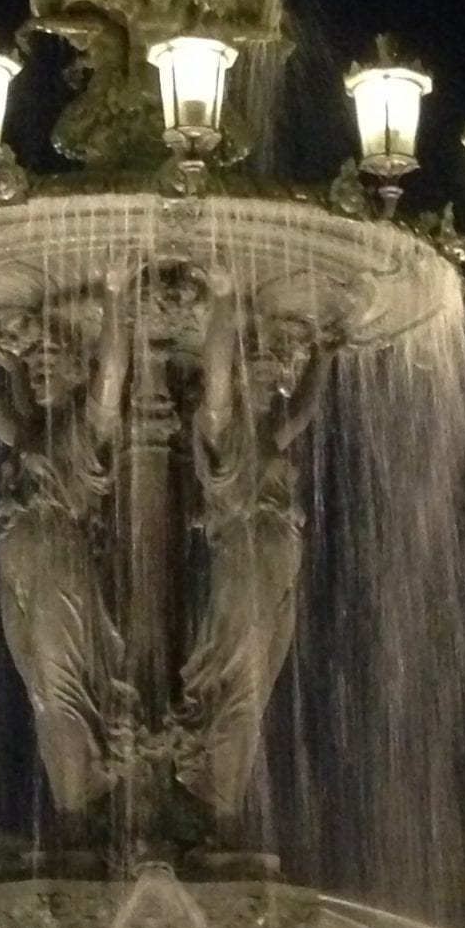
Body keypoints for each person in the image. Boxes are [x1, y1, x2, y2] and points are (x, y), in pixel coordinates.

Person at [0, 270, 137, 813]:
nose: (38, 375)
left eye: (50, 366)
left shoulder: (87, 430)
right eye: (33, 368)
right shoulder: (31, 433)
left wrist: (114, 296)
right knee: (40, 687)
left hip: (59, 560)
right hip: (18, 563)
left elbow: (113, 374)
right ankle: (75, 803)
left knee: (62, 685)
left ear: (78, 371)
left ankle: (83, 807)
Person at [177, 270, 330, 823]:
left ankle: (215, 790)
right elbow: (215, 375)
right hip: (246, 564)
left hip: (277, 567)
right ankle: (205, 792)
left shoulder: (267, 439)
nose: (273, 383)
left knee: (255, 684)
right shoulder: (223, 432)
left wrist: (323, 356)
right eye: (261, 376)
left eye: (276, 377)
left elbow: (304, 409)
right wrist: (220, 298)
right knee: (234, 680)